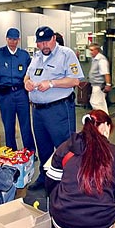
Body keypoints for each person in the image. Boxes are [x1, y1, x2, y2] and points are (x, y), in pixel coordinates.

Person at [25, 26, 84, 190]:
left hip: (58, 110)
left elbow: (75, 81)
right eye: (40, 43)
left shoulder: (66, 54)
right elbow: (28, 75)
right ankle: (45, 177)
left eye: (46, 41)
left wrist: (51, 83)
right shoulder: (36, 56)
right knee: (42, 146)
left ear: (54, 39)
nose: (44, 46)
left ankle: (68, 181)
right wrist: (27, 83)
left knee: (64, 147)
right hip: (37, 111)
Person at [0, 28, 35, 152]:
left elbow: (30, 74)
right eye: (10, 39)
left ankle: (29, 151)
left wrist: (32, 92)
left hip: (21, 94)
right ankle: (11, 151)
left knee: (25, 124)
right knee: (8, 125)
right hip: (5, 94)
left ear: (18, 40)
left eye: (15, 39)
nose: (12, 42)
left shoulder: (24, 55)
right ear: (6, 39)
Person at [87, 43, 112, 113]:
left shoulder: (101, 60)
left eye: (92, 50)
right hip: (95, 85)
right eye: (90, 50)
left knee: (95, 102)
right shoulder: (95, 59)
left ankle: (101, 118)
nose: (90, 52)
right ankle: (105, 119)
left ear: (97, 50)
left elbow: (106, 73)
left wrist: (108, 85)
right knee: (101, 103)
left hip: (99, 86)